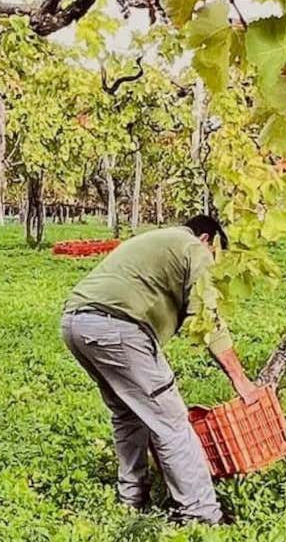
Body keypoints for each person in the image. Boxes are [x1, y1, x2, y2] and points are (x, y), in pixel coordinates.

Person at [60, 214, 258, 526]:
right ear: (208, 239)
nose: (215, 264)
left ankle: (132, 498)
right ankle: (201, 515)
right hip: (117, 327)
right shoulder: (195, 248)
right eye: (217, 254)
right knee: (172, 422)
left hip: (77, 323)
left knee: (128, 414)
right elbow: (207, 320)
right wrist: (241, 381)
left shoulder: (160, 240)